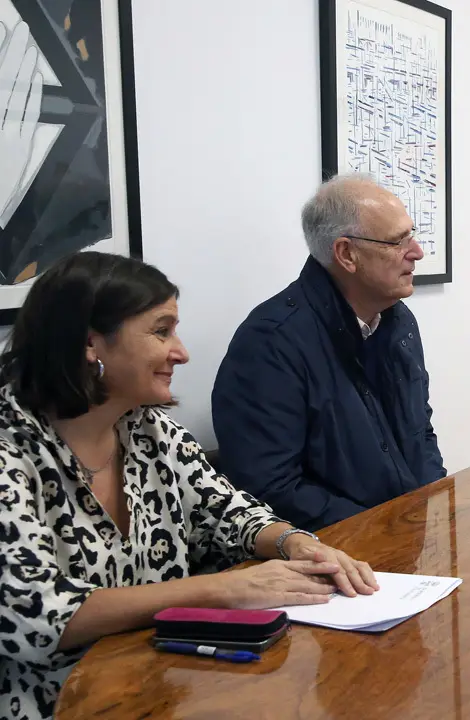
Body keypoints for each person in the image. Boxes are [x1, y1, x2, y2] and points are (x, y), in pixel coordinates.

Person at [0, 252, 379, 720]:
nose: (181, 352)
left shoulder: (149, 430)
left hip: (167, 682)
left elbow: (232, 513)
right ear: (91, 342)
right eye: (161, 331)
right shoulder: (10, 450)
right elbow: (38, 617)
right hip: (59, 704)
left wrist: (295, 543)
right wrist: (222, 590)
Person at [212, 173, 447, 531]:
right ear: (347, 254)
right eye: (398, 242)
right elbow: (269, 487)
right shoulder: (271, 343)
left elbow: (420, 434)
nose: (416, 252)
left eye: (411, 235)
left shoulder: (399, 323)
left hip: (406, 538)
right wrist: (381, 528)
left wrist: (433, 506)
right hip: (333, 554)